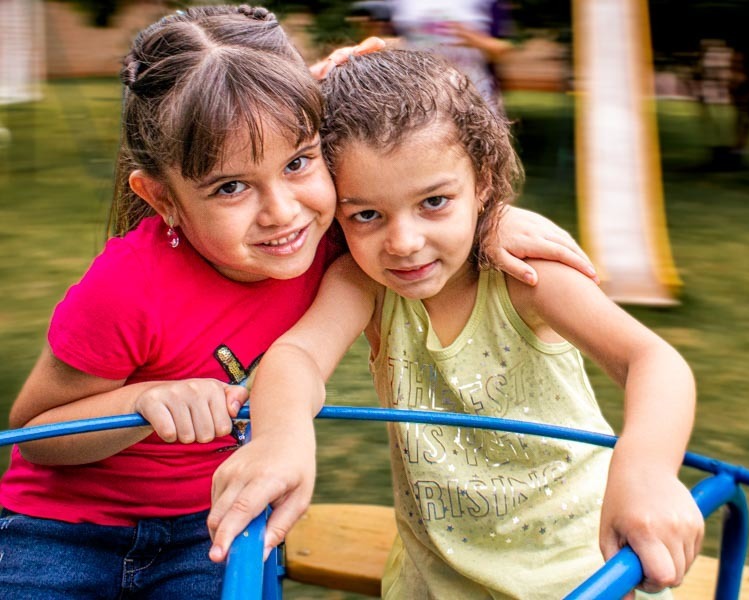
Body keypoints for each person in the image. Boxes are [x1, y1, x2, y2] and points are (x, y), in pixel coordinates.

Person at [0, 7, 597, 599]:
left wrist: (489, 222)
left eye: (298, 163)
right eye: (230, 187)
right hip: (62, 531)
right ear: (163, 199)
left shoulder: (342, 235)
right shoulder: (128, 287)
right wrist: (145, 399)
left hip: (216, 519)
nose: (282, 211)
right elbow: (34, 435)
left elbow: (415, 163)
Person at [210, 49, 704, 599]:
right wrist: (281, 438)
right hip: (433, 585)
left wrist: (647, 471)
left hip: (580, 577)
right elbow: (298, 355)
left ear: (484, 182)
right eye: (366, 214)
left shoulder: (523, 273)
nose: (403, 242)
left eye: (435, 202)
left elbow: (653, 361)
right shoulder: (364, 282)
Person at [388, 0, 513, 114]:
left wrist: (472, 38)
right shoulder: (401, 4)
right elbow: (387, 42)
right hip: (419, 97)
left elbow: (504, 50)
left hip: (475, 95)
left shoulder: (485, 3)